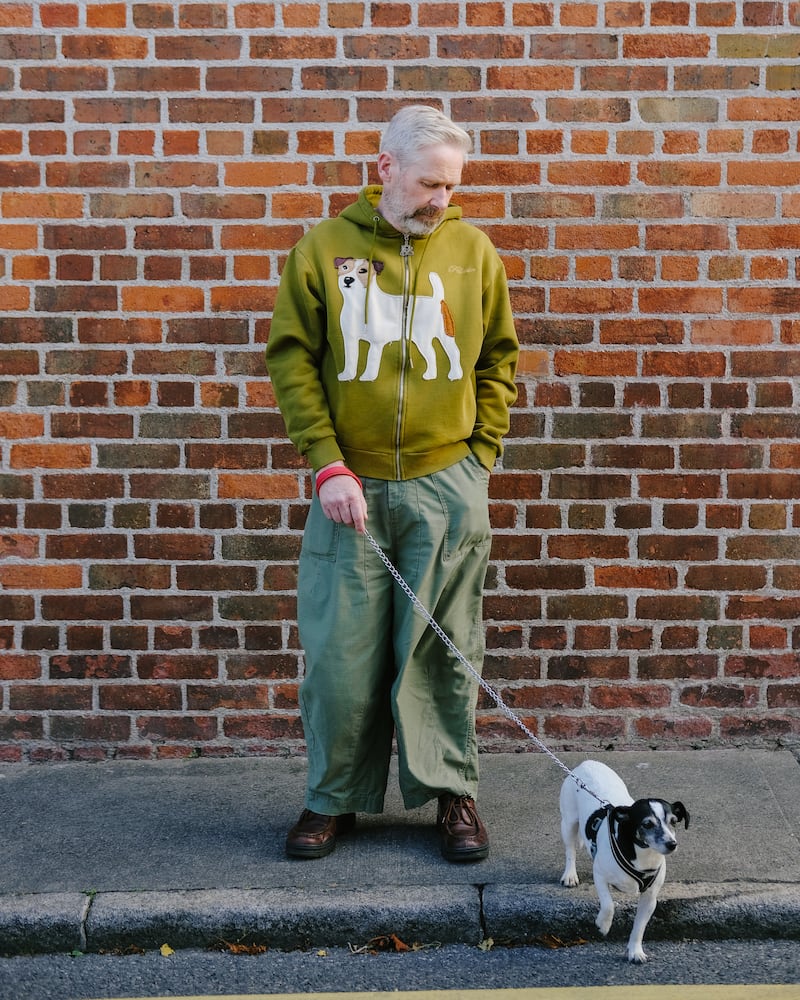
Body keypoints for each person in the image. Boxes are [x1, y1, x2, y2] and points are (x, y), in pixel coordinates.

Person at [265, 104, 519, 863]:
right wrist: (326, 462)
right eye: (429, 182)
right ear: (385, 168)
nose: (442, 198)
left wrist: (480, 459)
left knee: (446, 649)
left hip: (447, 483)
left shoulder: (473, 253)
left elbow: (498, 361)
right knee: (342, 655)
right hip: (352, 489)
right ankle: (332, 799)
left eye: (452, 184)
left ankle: (453, 795)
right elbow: (292, 361)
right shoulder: (323, 251)